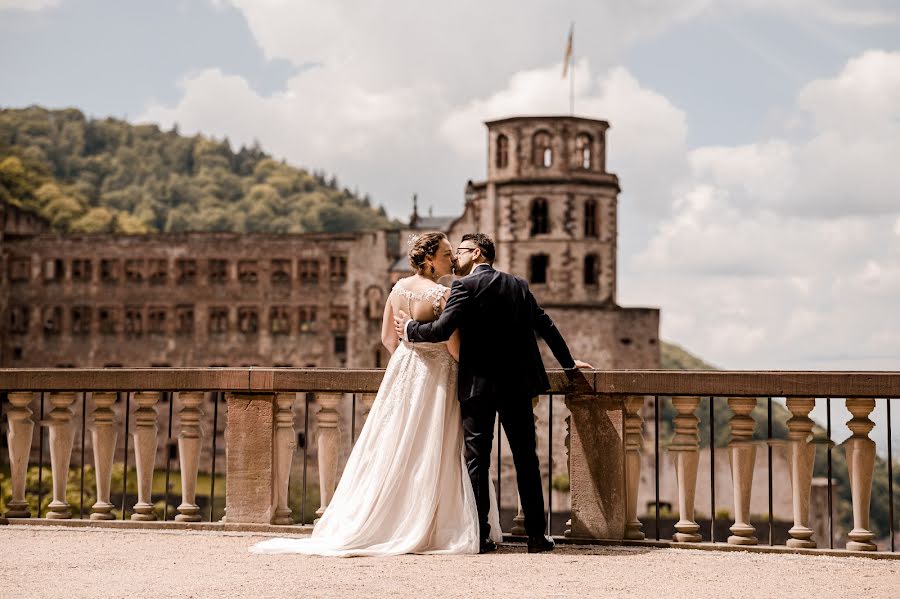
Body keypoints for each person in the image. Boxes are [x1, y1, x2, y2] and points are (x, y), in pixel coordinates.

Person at [251, 232, 501, 556]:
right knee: (437, 447)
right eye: (445, 254)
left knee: (394, 445)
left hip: (405, 373)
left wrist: (410, 355)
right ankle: (433, 522)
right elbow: (454, 347)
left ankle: (390, 519)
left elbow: (387, 338)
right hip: (439, 377)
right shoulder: (442, 294)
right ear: (428, 259)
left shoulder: (397, 289)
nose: (451, 260)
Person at [395, 233, 592, 554]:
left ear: (475, 253)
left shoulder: (464, 287)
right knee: (527, 459)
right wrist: (569, 365)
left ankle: (482, 535)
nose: (455, 258)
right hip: (518, 385)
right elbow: (546, 326)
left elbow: (442, 330)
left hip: (478, 385)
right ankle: (536, 537)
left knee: (478, 460)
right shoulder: (518, 285)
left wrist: (409, 330)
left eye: (458, 252)